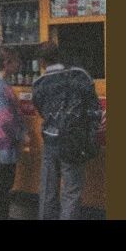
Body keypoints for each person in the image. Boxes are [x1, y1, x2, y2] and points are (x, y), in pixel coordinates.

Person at [32, 41, 105, 220]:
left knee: (48, 189)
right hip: (74, 141)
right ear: (59, 55)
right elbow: (94, 109)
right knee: (71, 192)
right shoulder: (80, 75)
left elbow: (41, 111)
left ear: (42, 62)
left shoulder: (39, 83)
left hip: (50, 139)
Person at [0, 48, 29, 220]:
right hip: (0, 145)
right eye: (16, 61)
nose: (19, 64)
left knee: (2, 187)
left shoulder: (2, 84)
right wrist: (21, 134)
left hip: (5, 144)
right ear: (6, 63)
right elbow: (4, 118)